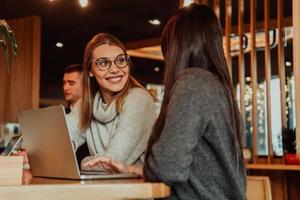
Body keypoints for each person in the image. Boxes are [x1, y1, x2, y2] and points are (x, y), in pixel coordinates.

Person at [82, 4, 246, 200]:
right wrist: (134, 169)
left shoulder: (193, 83)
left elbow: (167, 166)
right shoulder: (215, 85)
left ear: (177, 46)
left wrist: (148, 166)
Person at [79, 33, 157, 166]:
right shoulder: (91, 103)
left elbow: (112, 164)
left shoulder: (138, 99)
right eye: (103, 63)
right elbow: (61, 137)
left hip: (139, 185)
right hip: (108, 185)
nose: (115, 69)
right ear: (90, 71)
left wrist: (85, 160)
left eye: (120, 60)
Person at [63, 64, 89, 165]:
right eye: (64, 83)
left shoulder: (90, 114)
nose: (65, 87)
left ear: (85, 85)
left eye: (71, 83)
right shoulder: (61, 114)